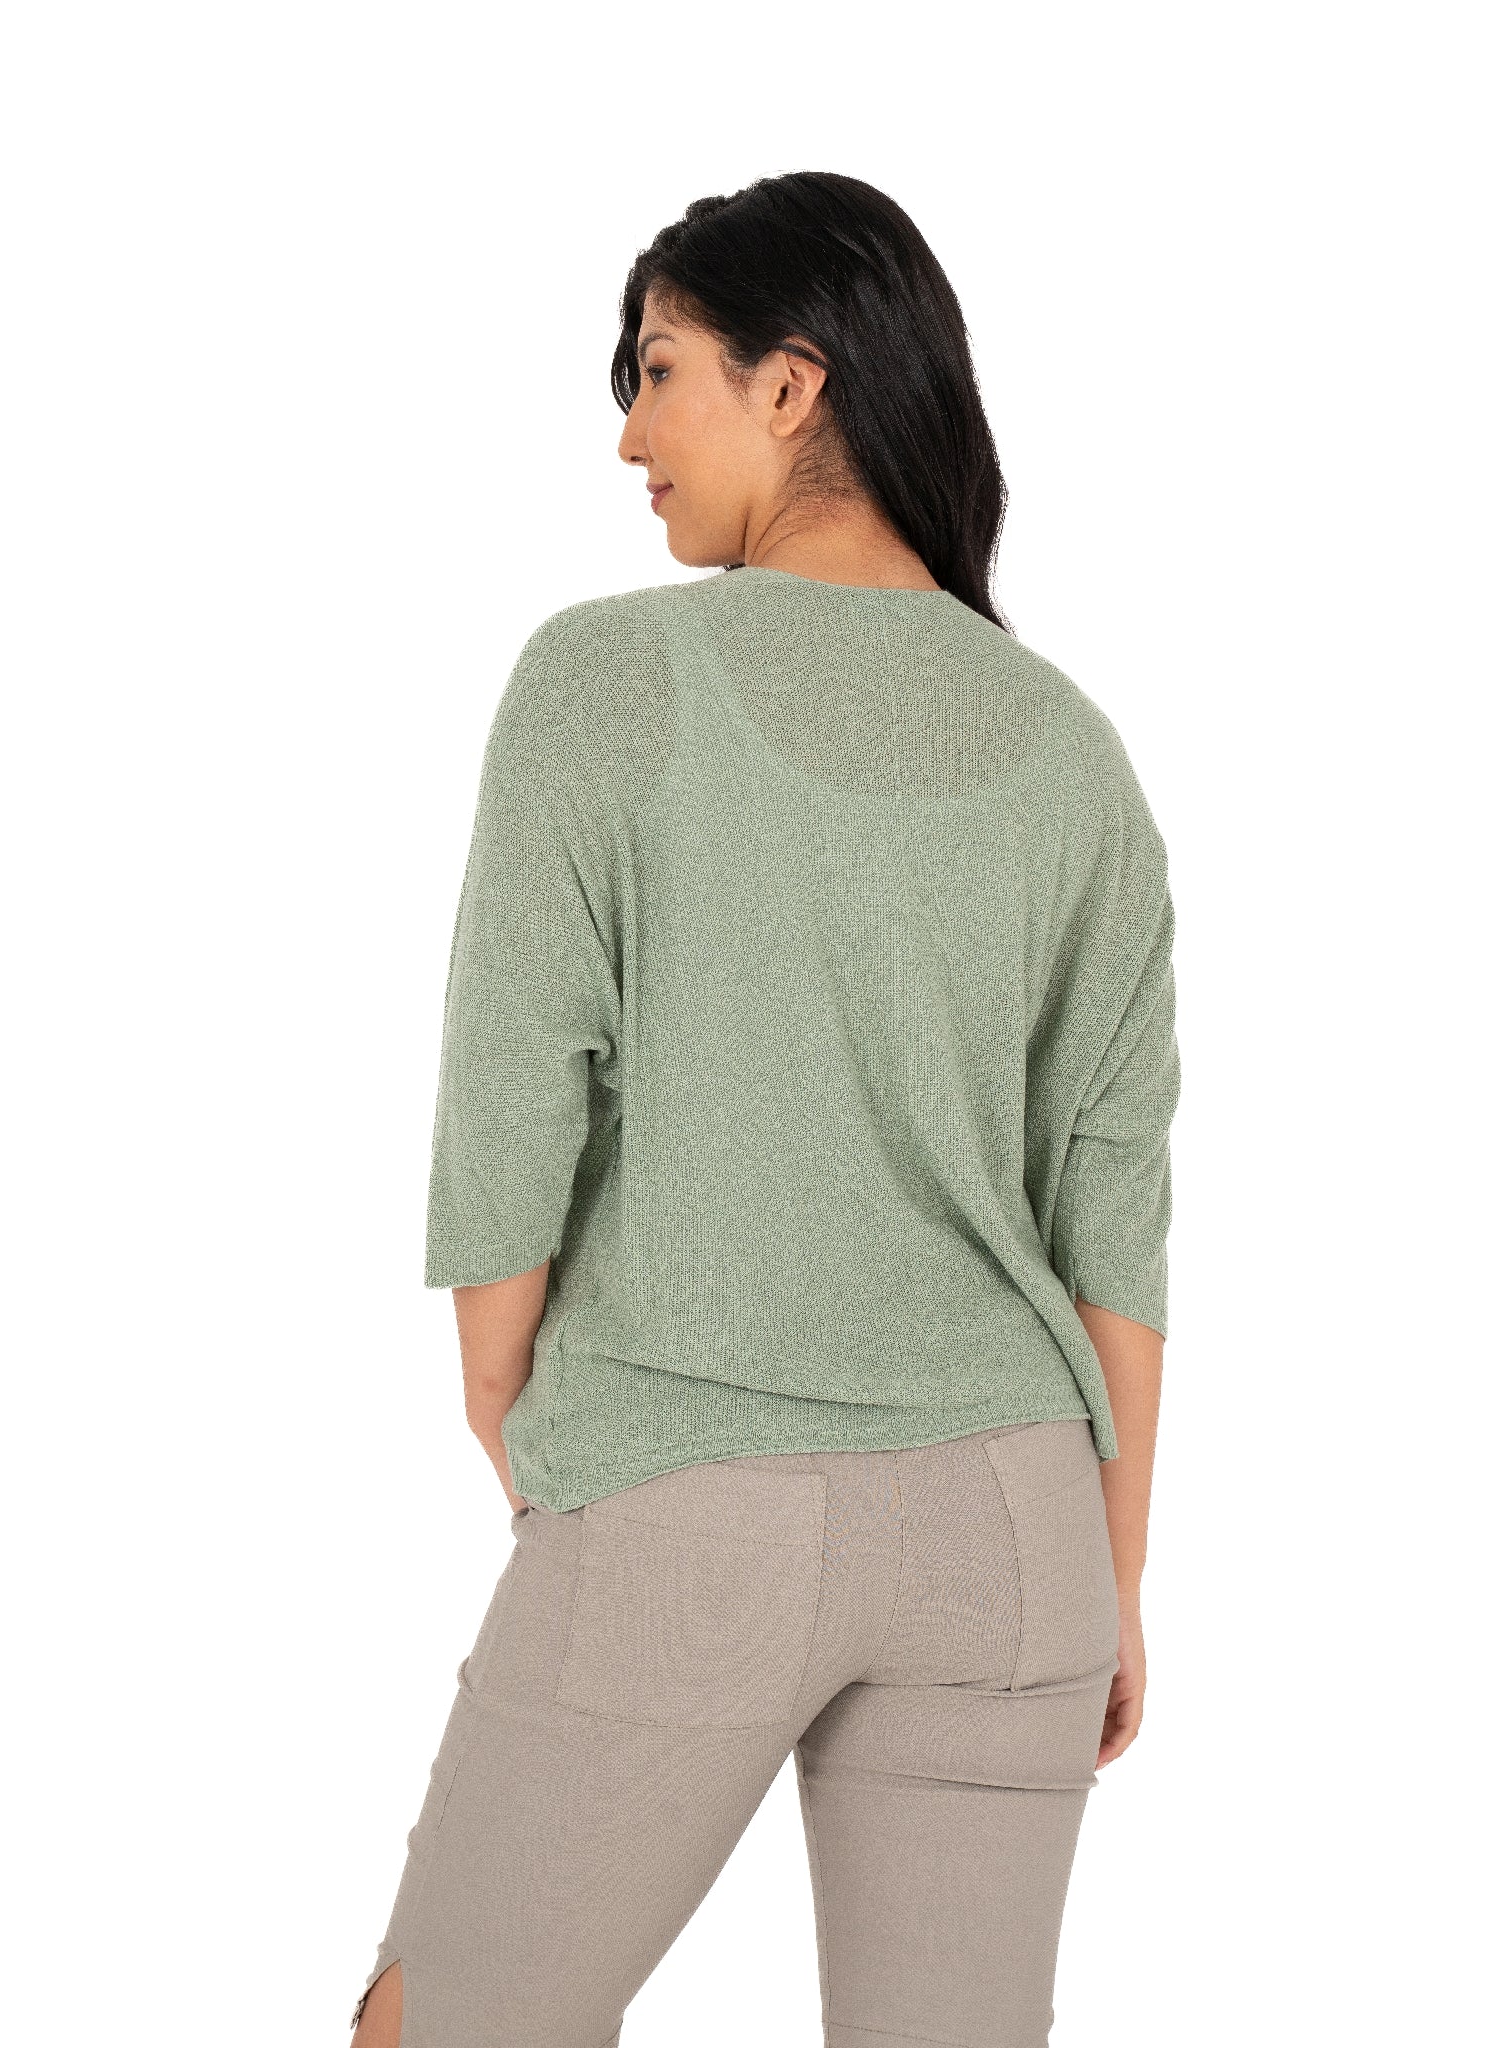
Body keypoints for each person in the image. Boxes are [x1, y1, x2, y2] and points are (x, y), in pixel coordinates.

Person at [347, 169, 1180, 2048]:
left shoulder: (609, 678)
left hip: (691, 1480)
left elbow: (513, 1079)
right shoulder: (1077, 754)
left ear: (790, 384)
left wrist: (507, 1388)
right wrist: (1118, 1575)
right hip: (1016, 1537)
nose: (629, 436)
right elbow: (1111, 1202)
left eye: (659, 371)